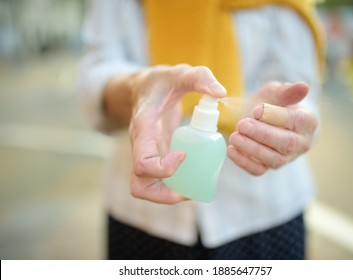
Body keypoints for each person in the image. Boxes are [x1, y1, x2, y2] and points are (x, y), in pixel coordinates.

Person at [78, 0, 324, 259]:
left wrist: (290, 125)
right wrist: (136, 88)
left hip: (266, 215)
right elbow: (97, 66)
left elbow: (304, 90)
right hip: (142, 218)